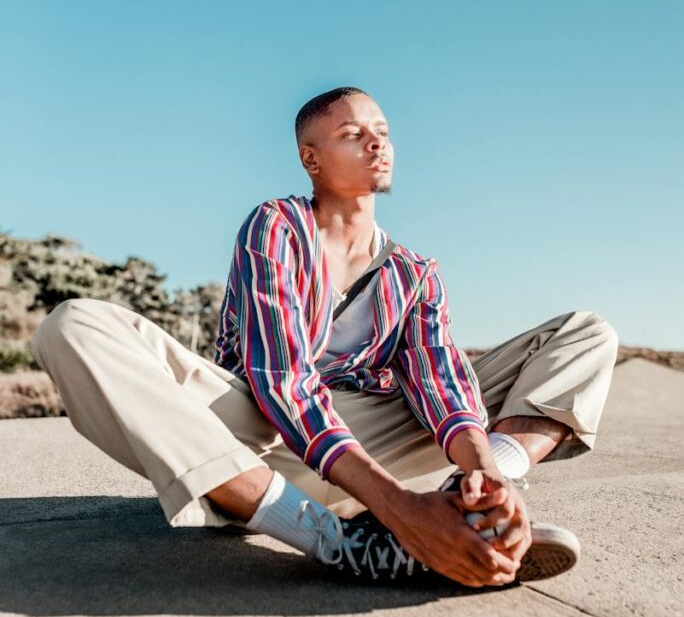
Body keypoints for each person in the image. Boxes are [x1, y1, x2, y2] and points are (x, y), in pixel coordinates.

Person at [31, 86, 619, 589]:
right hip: (246, 441)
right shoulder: (276, 228)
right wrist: (401, 509)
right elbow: (283, 381)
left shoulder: (414, 273)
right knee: (74, 324)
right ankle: (341, 541)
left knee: (586, 334)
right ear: (311, 158)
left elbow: (441, 381)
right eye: (352, 133)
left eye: (383, 131)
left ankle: (471, 509)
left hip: (362, 438)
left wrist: (484, 476)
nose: (376, 142)